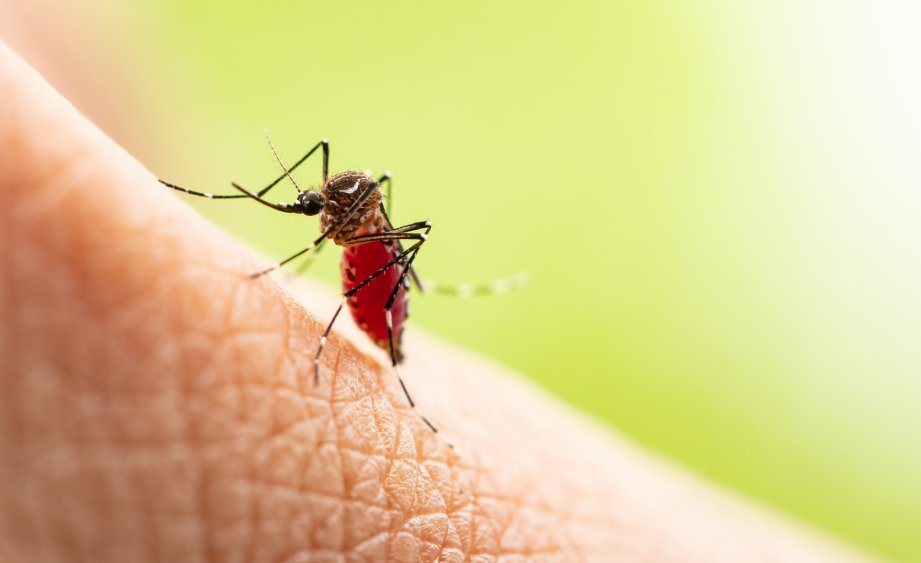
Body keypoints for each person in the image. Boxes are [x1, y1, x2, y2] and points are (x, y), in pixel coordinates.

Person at [0, 41, 869, 562]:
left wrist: (354, 264)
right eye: (318, 211)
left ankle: (392, 331)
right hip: (367, 241)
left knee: (387, 235)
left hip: (380, 275)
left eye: (317, 212)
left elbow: (371, 217)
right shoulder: (330, 192)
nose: (313, 214)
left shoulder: (358, 222)